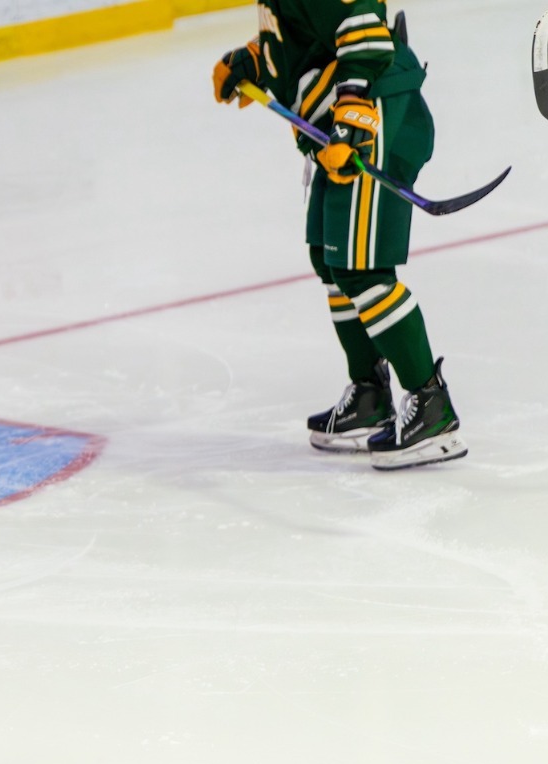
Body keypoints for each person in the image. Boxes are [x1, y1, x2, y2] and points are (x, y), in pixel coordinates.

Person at [214, 2, 465, 469]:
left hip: (373, 113)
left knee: (361, 268)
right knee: (328, 258)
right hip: (338, 126)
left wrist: (351, 115)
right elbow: (305, 33)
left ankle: (431, 405)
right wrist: (253, 60)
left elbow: (363, 31)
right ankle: (369, 397)